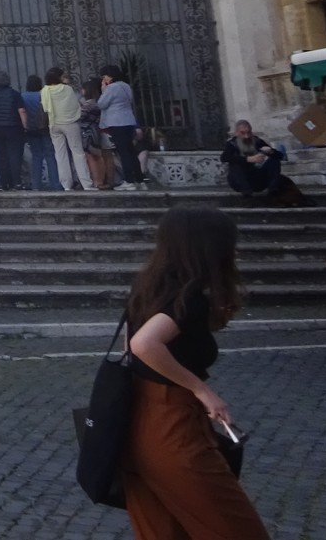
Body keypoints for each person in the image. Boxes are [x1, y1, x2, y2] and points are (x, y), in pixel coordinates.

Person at [122, 205, 267, 539]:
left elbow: (130, 345)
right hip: (172, 425)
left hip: (135, 420)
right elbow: (144, 344)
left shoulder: (150, 287)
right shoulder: (187, 298)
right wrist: (202, 391)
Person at [220, 120, 295, 202]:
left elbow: (280, 156)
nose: (246, 136)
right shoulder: (231, 144)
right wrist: (248, 159)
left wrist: (271, 151)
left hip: (257, 178)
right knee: (234, 164)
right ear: (236, 133)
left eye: (248, 132)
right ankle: (247, 195)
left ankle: (273, 190)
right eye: (242, 133)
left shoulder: (257, 141)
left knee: (274, 161)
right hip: (239, 181)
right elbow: (224, 157)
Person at [42, 67, 89, 192]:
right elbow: (74, 106)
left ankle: (66, 185)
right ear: (58, 77)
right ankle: (86, 183)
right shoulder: (67, 89)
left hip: (54, 124)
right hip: (70, 123)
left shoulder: (45, 90)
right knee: (77, 153)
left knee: (60, 155)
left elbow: (46, 108)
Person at [98, 65, 142, 191]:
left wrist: (103, 91)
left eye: (104, 76)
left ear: (110, 76)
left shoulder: (112, 88)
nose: (104, 79)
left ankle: (129, 181)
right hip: (128, 121)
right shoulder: (126, 86)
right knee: (131, 151)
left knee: (123, 152)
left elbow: (101, 104)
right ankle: (139, 179)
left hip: (117, 122)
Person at [0, 70, 27, 191]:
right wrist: (25, 126)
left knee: (1, 156)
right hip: (13, 128)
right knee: (14, 155)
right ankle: (16, 183)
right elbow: (21, 111)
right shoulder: (14, 94)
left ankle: (4, 183)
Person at [21, 73, 59, 192]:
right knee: (50, 155)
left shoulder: (23, 96)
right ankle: (55, 184)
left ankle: (36, 185)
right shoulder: (43, 94)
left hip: (31, 130)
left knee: (36, 156)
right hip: (45, 128)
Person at [79, 80, 112, 192]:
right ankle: (100, 181)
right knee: (96, 156)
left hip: (89, 133)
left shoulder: (89, 104)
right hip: (95, 131)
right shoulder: (96, 102)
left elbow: (79, 116)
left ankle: (98, 181)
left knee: (93, 157)